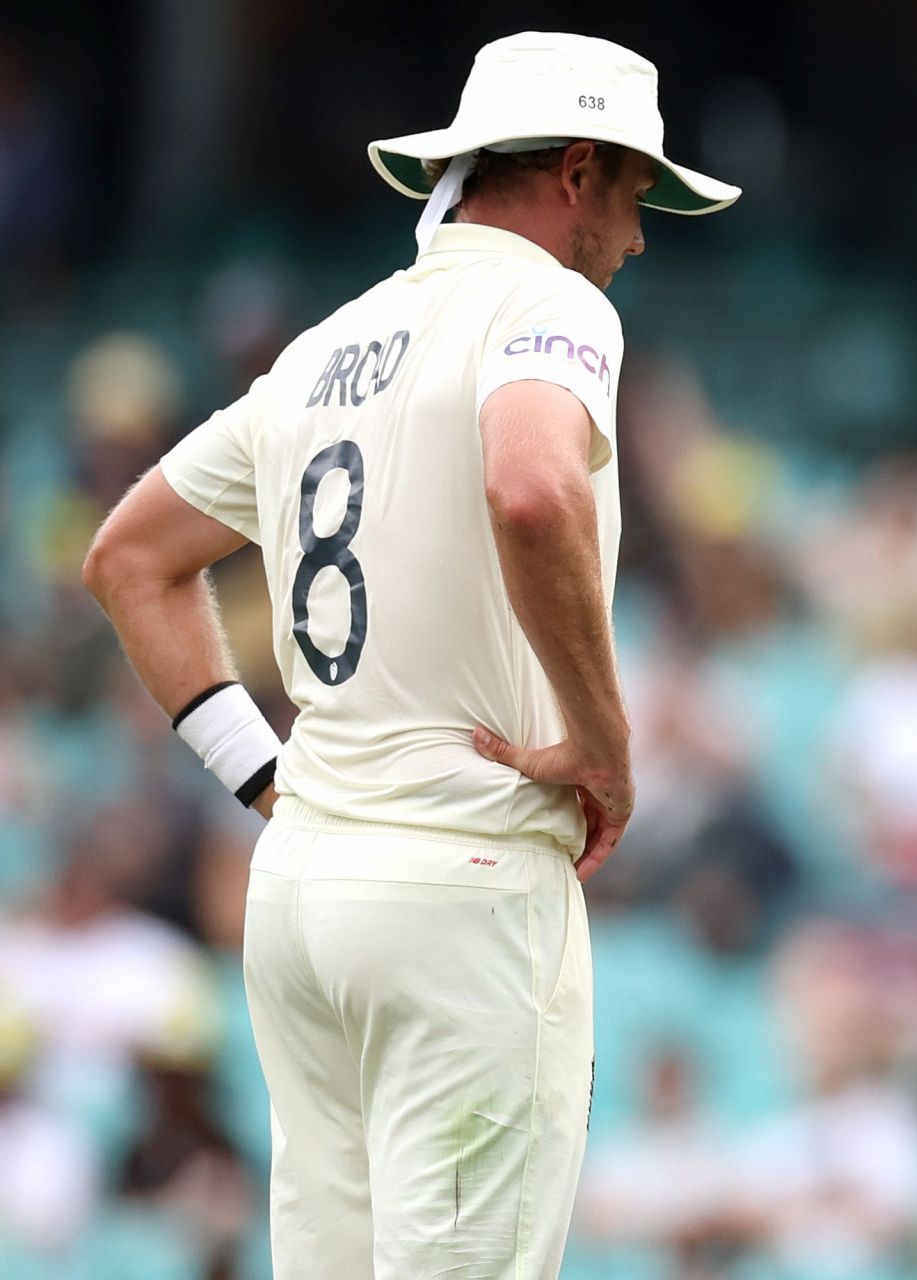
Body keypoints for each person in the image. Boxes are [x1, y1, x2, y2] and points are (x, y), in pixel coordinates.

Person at [81, 32, 738, 1277]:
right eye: (638, 196)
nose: (639, 238)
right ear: (578, 171)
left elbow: (130, 559)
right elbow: (535, 486)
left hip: (305, 889)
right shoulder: (553, 302)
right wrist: (604, 734)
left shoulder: (329, 344)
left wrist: (264, 779)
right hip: (462, 883)